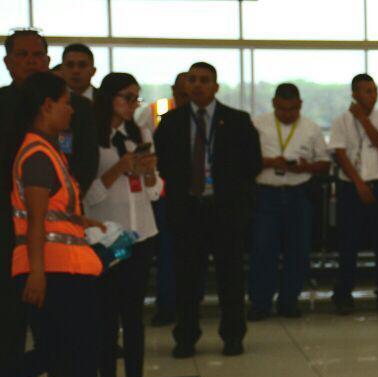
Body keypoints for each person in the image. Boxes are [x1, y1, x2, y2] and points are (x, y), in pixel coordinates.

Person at [0, 72, 139, 377]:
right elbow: (37, 221)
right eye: (65, 103)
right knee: (70, 353)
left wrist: (85, 223)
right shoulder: (38, 154)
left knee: (61, 353)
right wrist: (39, 274)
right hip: (56, 271)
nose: (70, 112)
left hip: (68, 267)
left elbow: (55, 213)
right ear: (46, 106)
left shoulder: (48, 151)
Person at [154, 62, 261, 358]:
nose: (198, 85)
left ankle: (233, 336)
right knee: (187, 279)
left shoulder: (237, 120)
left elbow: (253, 164)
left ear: (216, 86)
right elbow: (163, 163)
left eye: (204, 80)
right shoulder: (171, 122)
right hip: (188, 211)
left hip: (225, 211)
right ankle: (186, 337)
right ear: (186, 85)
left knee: (231, 278)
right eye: (193, 80)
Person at [86, 73, 162, 377]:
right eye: (127, 98)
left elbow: (155, 191)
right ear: (109, 98)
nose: (133, 105)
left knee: (133, 315)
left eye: (137, 98)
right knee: (104, 315)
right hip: (105, 237)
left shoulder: (140, 133)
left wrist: (147, 172)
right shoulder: (90, 136)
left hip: (140, 233)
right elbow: (87, 196)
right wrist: (119, 168)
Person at [249, 83, 330, 320]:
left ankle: (289, 302)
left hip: (298, 193)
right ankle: (260, 303)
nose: (287, 114)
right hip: (266, 193)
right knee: (263, 250)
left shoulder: (311, 128)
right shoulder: (257, 125)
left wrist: (306, 167)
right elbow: (246, 159)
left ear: (300, 105)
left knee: (297, 251)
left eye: (293, 109)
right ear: (274, 103)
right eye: (283, 109)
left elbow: (324, 163)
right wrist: (269, 162)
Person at [328, 74, 378, 315]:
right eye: (367, 91)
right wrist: (359, 184)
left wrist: (363, 119)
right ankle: (343, 294)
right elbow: (340, 154)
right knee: (348, 244)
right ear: (354, 94)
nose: (372, 96)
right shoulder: (340, 121)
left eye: (375, 91)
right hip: (351, 186)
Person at [137, 72, 190, 326]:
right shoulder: (154, 112)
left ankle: (190, 305)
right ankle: (167, 306)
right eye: (182, 93)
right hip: (162, 193)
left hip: (195, 194)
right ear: (173, 90)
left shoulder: (206, 117)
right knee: (166, 253)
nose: (187, 97)